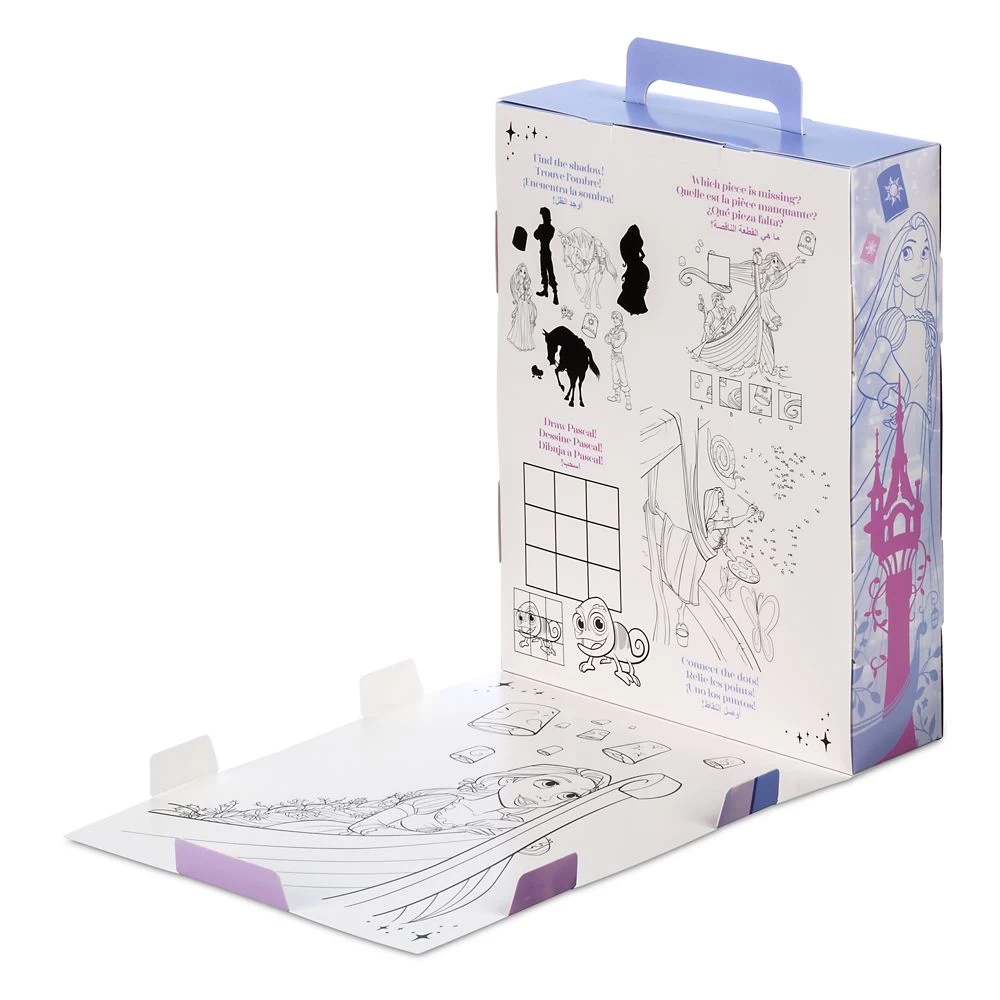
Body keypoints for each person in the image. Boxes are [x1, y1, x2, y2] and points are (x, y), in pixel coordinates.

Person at [604, 310, 631, 410]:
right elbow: (606, 339)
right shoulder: (613, 330)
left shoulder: (622, 332)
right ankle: (617, 396)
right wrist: (611, 337)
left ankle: (628, 401)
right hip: (613, 356)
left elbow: (616, 344)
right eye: (613, 318)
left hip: (619, 357)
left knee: (623, 378)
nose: (615, 320)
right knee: (615, 377)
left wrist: (611, 337)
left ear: (620, 320)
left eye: (616, 318)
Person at [534, 207, 559, 305]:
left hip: (545, 253)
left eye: (543, 216)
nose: (543, 218)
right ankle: (547, 291)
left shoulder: (546, 228)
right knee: (545, 272)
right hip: (545, 252)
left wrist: (540, 229)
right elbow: (536, 236)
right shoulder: (550, 228)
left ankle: (554, 294)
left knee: (549, 272)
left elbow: (536, 236)